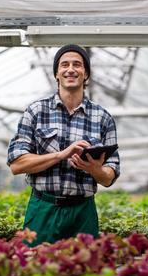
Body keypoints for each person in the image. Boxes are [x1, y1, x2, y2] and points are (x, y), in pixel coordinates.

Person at [7, 44, 120, 246]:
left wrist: (95, 170)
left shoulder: (103, 118)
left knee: (85, 270)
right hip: (43, 208)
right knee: (35, 270)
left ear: (86, 74)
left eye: (77, 64)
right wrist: (61, 155)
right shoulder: (36, 111)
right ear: (56, 74)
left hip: (83, 211)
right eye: (64, 64)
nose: (70, 69)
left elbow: (110, 176)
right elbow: (17, 164)